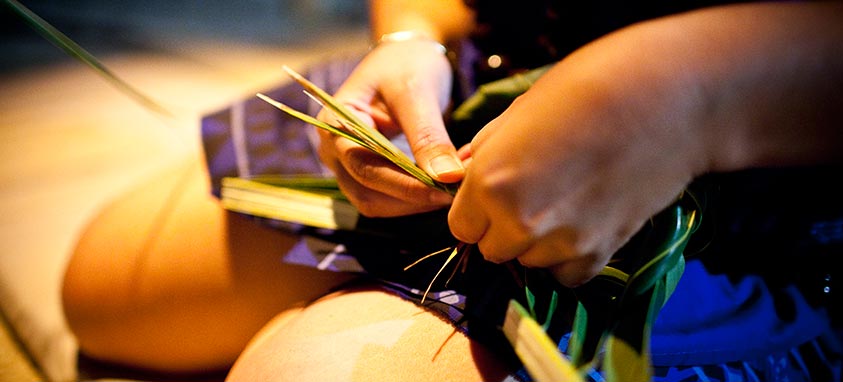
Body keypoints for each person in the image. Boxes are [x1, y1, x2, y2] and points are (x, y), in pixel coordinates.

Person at [62, 0, 843, 381]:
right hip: (499, 75)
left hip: (751, 180)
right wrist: (408, 37)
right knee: (106, 292)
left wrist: (689, 102)